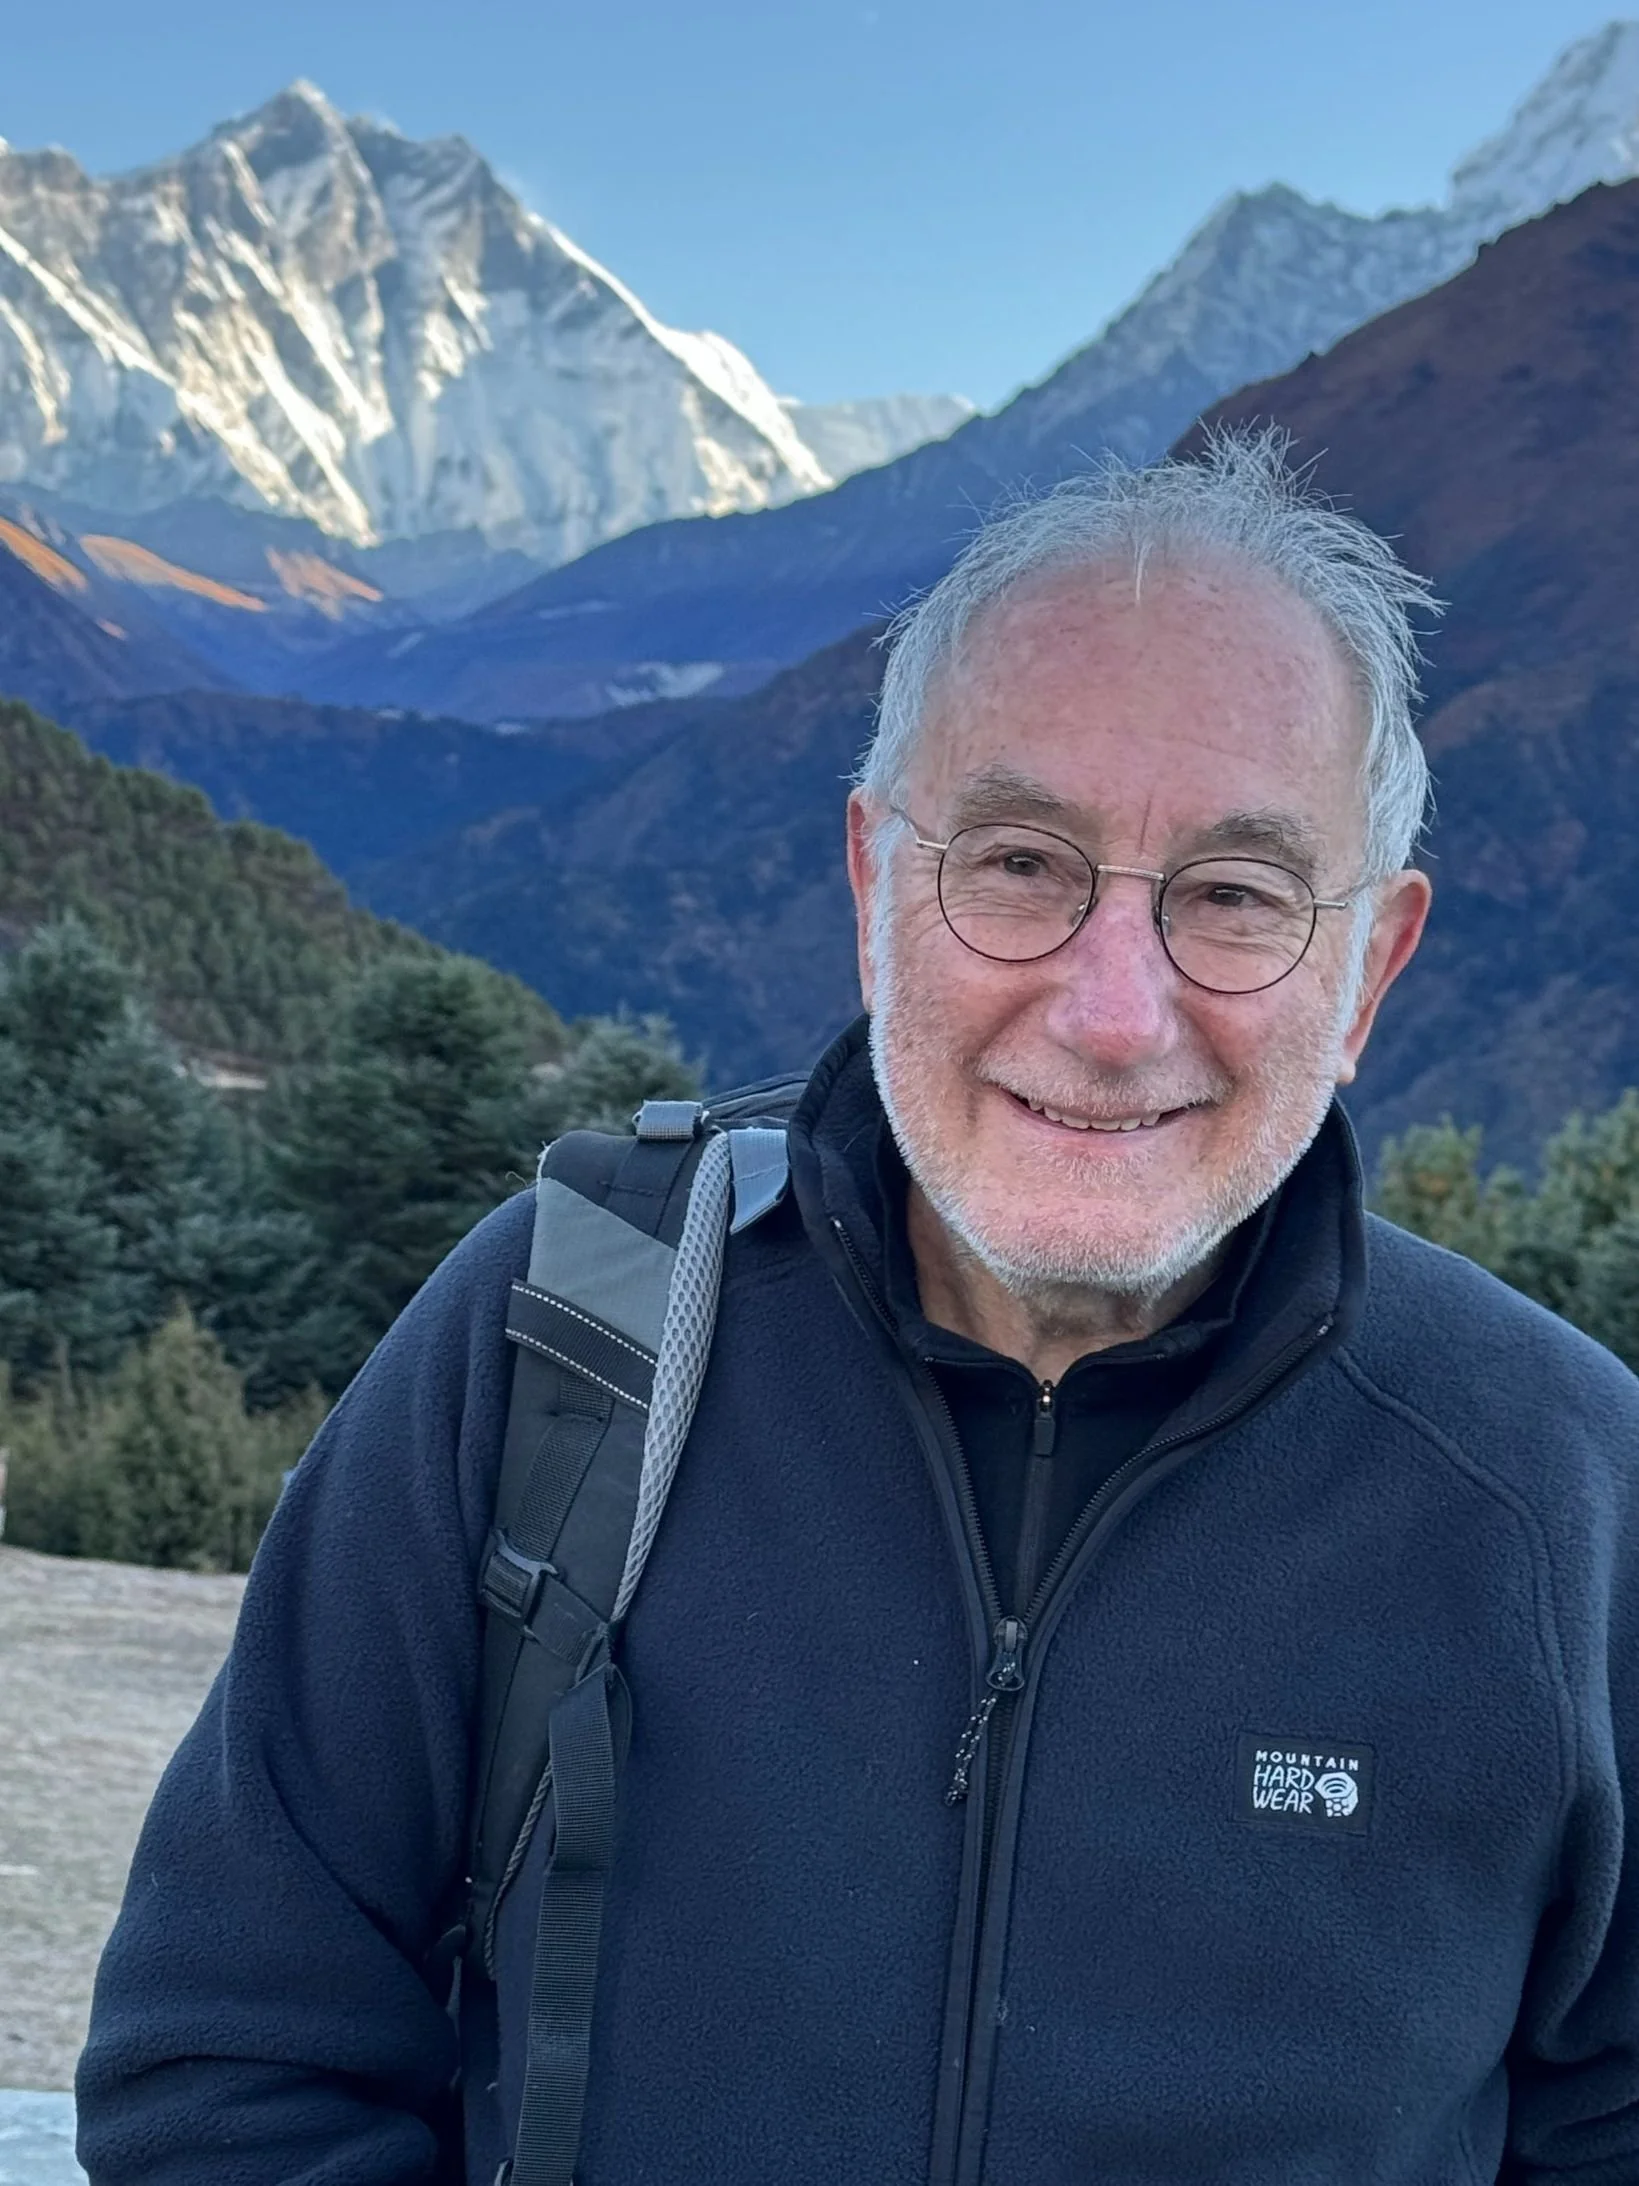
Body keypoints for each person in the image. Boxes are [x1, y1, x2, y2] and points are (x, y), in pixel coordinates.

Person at [78, 431, 1639, 2185]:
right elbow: (228, 2067)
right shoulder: (563, 1334)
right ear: (872, 883)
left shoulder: (1562, 1494)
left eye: (1233, 896)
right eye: (1020, 862)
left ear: (1368, 971)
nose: (1111, 1012)